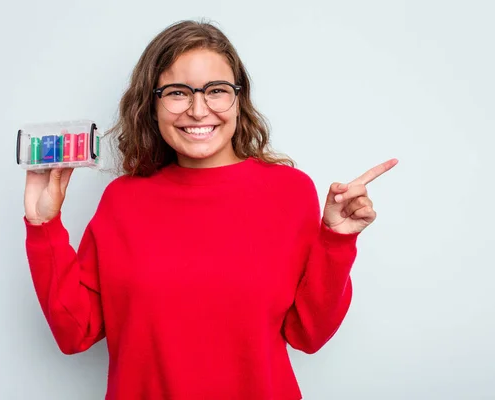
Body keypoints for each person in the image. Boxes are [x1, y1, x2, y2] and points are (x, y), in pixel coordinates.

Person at [23, 19, 398, 400]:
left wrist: (335, 242)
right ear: (152, 105)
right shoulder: (123, 199)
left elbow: (309, 335)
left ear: (238, 99)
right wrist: (43, 226)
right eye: (177, 93)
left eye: (216, 91)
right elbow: (75, 332)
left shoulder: (290, 191)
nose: (198, 110)